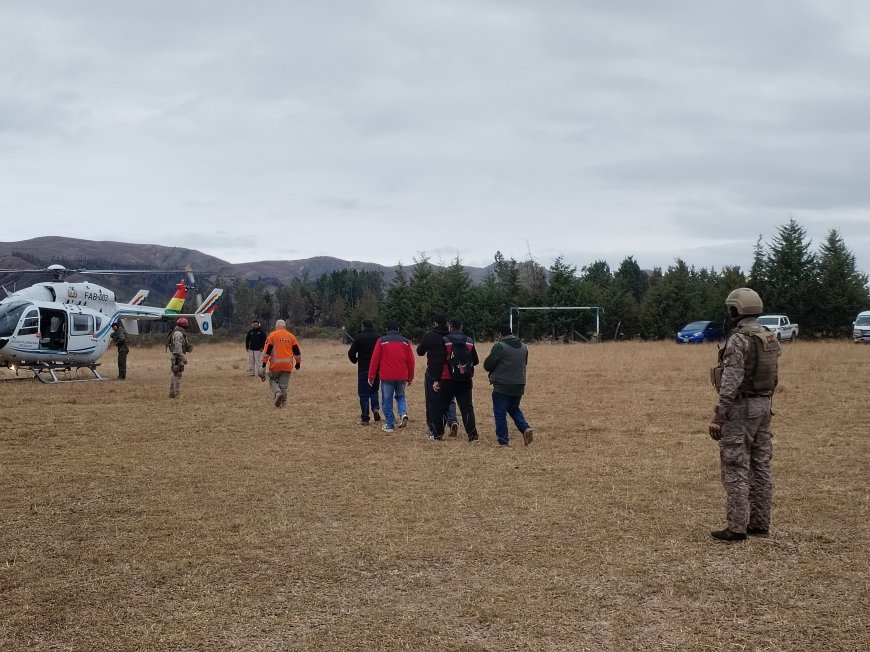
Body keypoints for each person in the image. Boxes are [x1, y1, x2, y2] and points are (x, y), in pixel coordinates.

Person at [708, 287, 781, 542]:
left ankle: (737, 528)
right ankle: (760, 524)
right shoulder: (769, 336)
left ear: (737, 309)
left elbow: (731, 380)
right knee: (760, 466)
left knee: (736, 465)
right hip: (764, 406)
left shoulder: (739, 339)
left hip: (741, 409)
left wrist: (720, 415)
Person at [483, 324, 533, 447]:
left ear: (500, 334)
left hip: (502, 385)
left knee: (500, 413)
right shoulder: (523, 346)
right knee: (514, 408)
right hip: (519, 384)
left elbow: (488, 365)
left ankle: (503, 440)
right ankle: (525, 428)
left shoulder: (500, 346)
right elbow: (524, 363)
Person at [432, 317, 480, 442]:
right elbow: (475, 360)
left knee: (441, 406)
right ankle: (473, 435)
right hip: (465, 379)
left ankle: (437, 434)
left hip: (447, 379)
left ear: (450, 327)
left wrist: (436, 379)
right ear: (461, 326)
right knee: (467, 408)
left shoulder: (445, 340)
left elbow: (439, 361)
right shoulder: (469, 341)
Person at [368, 319, 414, 433]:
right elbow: (411, 360)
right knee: (400, 396)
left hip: (387, 376)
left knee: (387, 400)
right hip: (402, 375)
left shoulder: (381, 341)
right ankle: (403, 413)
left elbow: (375, 360)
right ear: (398, 329)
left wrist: (371, 375)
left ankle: (389, 423)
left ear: (386, 329)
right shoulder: (405, 342)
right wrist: (410, 376)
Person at [417, 315, 460, 438]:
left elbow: (420, 351)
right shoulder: (450, 336)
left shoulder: (430, 335)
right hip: (450, 372)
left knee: (432, 401)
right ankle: (452, 421)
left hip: (433, 371)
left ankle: (434, 428)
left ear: (435, 323)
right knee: (449, 399)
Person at [260, 319, 302, 408]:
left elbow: (266, 352)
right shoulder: (291, 336)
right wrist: (298, 363)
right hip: (287, 366)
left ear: (276, 327)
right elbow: (297, 352)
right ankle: (283, 403)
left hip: (275, 365)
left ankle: (278, 393)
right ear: (285, 326)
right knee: (284, 385)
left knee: (273, 380)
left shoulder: (272, 335)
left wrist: (263, 364)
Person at [348, 319, 382, 425]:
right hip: (376, 369)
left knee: (363, 394)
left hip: (363, 369)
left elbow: (351, 352)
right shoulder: (378, 338)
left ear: (363, 326)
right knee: (374, 390)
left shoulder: (359, 338)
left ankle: (365, 418)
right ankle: (375, 408)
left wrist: (355, 360)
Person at [167, 317, 193, 398]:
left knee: (175, 375)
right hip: (177, 357)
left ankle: (172, 393)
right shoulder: (178, 333)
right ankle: (177, 394)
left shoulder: (178, 332)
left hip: (176, 356)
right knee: (178, 375)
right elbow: (178, 349)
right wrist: (183, 358)